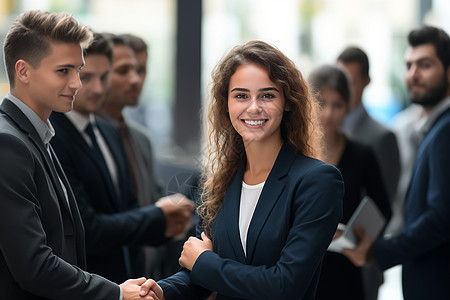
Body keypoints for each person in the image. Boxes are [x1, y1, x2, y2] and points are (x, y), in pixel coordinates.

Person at [143, 40, 344, 300]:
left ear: (288, 102)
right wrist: (159, 291)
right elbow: (198, 273)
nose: (253, 107)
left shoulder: (318, 181)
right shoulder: (218, 182)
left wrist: (204, 262)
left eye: (267, 95)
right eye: (241, 96)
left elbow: (285, 286)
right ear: (226, 104)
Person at [0, 10, 159, 299]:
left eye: (78, 69)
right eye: (64, 71)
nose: (77, 83)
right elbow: (33, 266)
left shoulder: (39, 135)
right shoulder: (7, 143)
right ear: (22, 71)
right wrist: (117, 294)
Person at [50, 32, 195, 284]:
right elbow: (85, 229)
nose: (97, 88)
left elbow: (129, 209)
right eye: (86, 77)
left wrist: (166, 222)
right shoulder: (51, 134)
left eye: (104, 76)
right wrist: (158, 217)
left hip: (130, 279)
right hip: (83, 284)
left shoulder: (109, 132)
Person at [343, 25, 450, 300]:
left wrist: (379, 251)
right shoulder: (434, 128)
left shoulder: (445, 130)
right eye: (409, 65)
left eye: (425, 65)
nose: (413, 74)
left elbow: (441, 218)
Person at [307, 64, 392, 300]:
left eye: (338, 105)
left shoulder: (362, 154)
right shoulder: (293, 155)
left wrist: (359, 236)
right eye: (322, 103)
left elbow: (384, 209)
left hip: (346, 267)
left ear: (348, 107)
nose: (328, 114)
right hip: (301, 268)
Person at [336, 46, 401, 300]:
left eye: (351, 81)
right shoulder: (319, 137)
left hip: (362, 261)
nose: (346, 88)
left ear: (366, 81)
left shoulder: (381, 137)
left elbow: (384, 203)